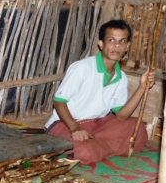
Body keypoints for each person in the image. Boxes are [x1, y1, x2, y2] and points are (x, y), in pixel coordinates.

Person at [45, 19, 156, 164]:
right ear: (101, 44)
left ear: (127, 46)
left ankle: (98, 145)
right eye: (111, 40)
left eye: (122, 41)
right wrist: (74, 128)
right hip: (66, 123)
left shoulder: (120, 77)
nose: (117, 45)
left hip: (97, 124)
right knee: (85, 151)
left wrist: (142, 87)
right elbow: (59, 101)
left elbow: (121, 116)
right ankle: (96, 146)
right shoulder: (82, 68)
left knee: (137, 128)